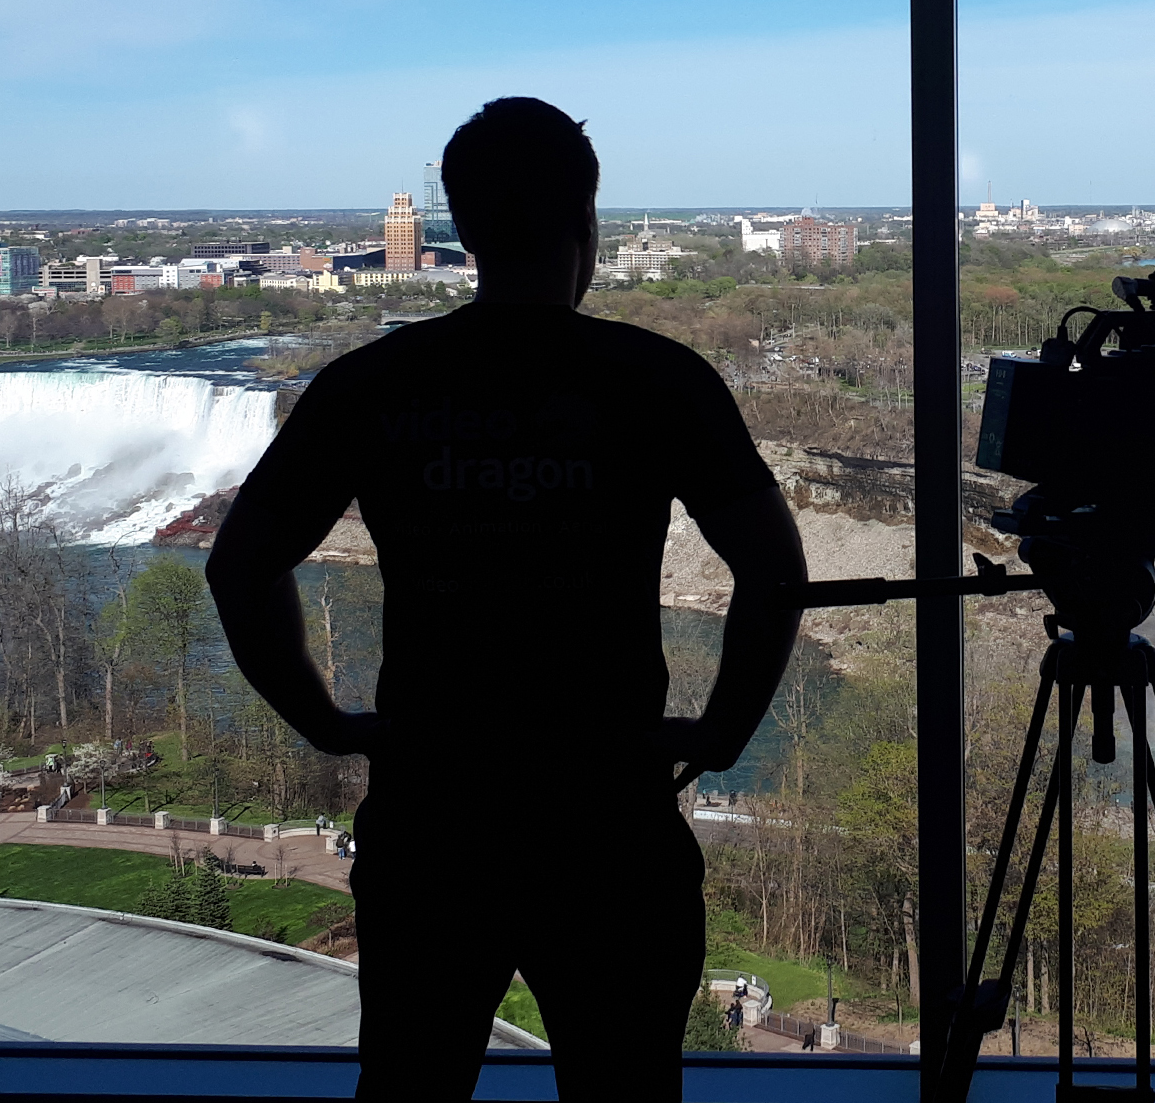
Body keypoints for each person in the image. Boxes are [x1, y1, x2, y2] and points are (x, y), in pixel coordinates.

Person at [206, 97, 805, 1101]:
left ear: (464, 226)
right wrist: (729, 724)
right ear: (589, 219)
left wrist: (323, 720)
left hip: (436, 811)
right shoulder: (658, 377)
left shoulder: (374, 381)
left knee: (410, 1086)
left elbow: (240, 566)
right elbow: (774, 571)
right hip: (606, 813)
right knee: (626, 1093)